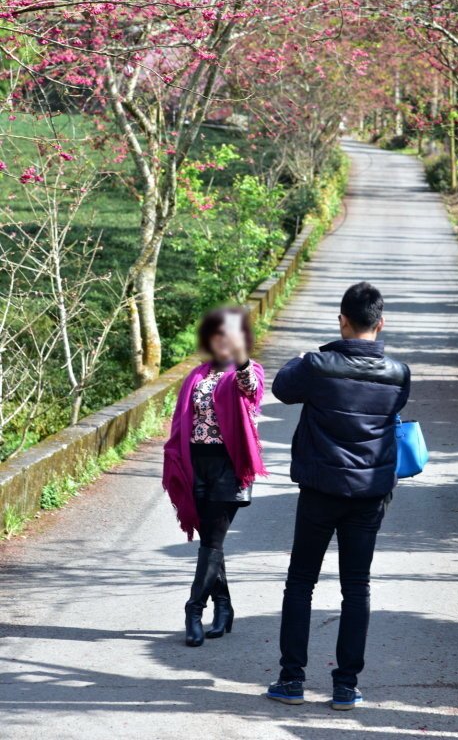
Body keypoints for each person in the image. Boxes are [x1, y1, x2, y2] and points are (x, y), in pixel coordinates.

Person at [266, 282, 410, 710]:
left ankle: (291, 680)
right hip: (368, 496)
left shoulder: (318, 364)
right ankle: (346, 685)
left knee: (301, 582)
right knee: (357, 587)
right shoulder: (399, 374)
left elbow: (282, 389)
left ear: (342, 320)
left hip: (320, 490)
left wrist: (306, 357)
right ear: (380, 323)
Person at [163, 307, 267, 647]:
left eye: (231, 336)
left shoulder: (246, 373)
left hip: (229, 466)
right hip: (197, 465)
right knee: (212, 541)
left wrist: (240, 359)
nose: (223, 341)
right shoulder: (196, 375)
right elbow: (184, 421)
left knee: (212, 542)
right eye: (218, 335)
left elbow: (249, 384)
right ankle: (224, 607)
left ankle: (193, 610)